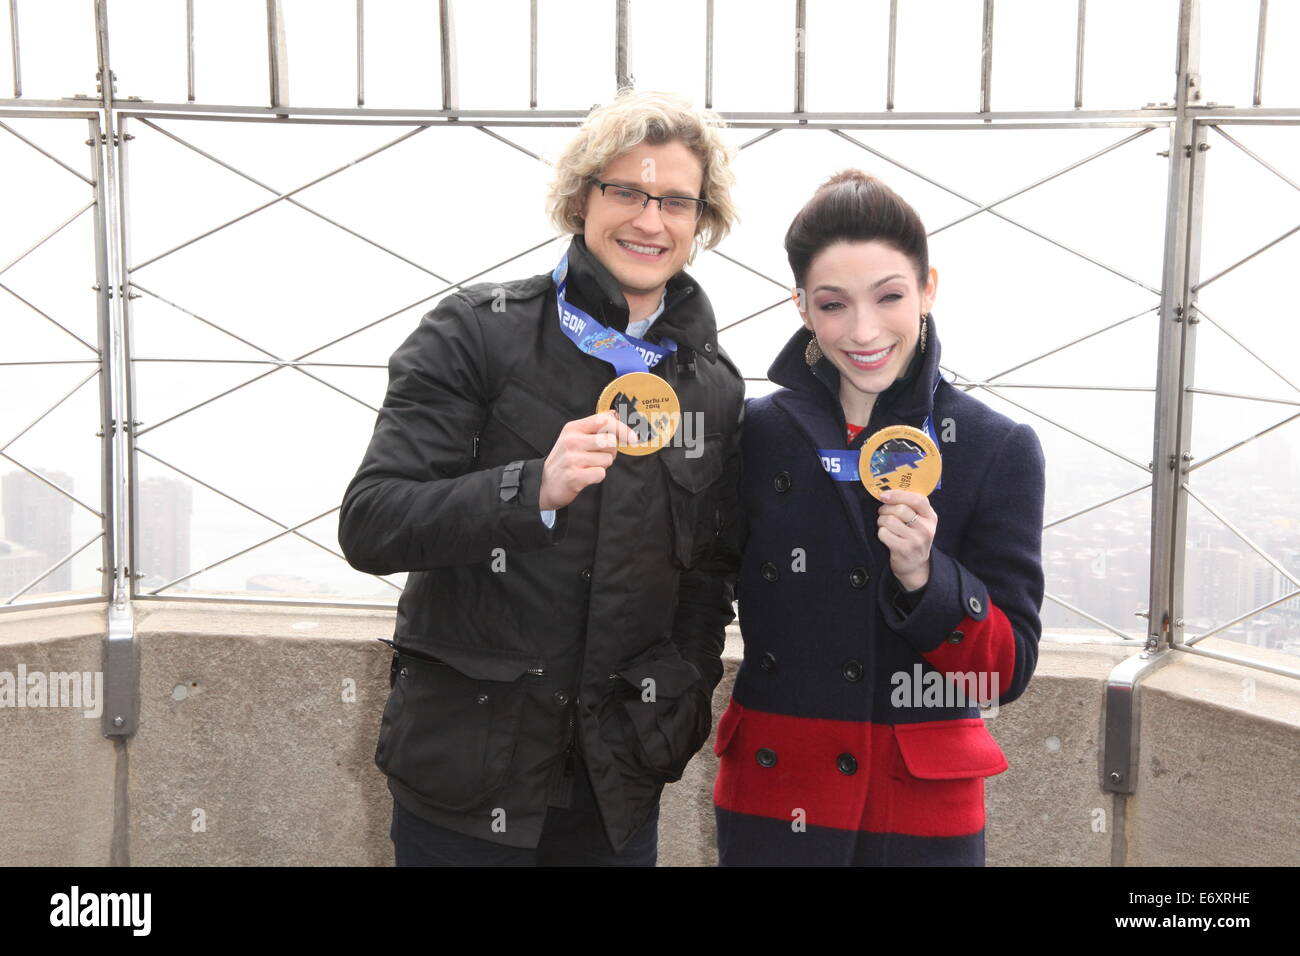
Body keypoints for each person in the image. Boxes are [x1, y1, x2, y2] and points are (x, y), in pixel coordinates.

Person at [339, 90, 745, 866]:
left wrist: (679, 709)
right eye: (625, 190)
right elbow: (372, 522)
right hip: (466, 777)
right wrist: (531, 490)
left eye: (675, 201)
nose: (649, 220)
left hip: (616, 783)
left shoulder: (714, 387)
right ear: (581, 199)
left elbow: (709, 578)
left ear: (701, 221)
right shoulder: (473, 331)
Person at [712, 170, 1045, 866]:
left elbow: (1003, 676)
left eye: (889, 296)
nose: (863, 331)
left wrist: (927, 578)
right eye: (834, 305)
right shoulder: (751, 435)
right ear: (802, 306)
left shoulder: (993, 447)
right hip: (778, 790)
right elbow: (690, 588)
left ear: (927, 290)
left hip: (917, 811)